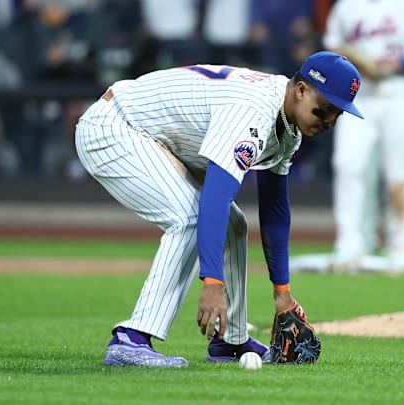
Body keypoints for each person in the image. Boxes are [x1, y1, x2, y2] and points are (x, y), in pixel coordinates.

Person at [74, 51, 363, 367]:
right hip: (115, 125)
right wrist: (212, 282)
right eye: (325, 110)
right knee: (189, 216)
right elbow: (215, 197)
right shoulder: (252, 111)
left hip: (152, 134)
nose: (330, 121)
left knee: (234, 225)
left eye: (338, 114)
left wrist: (283, 294)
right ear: (302, 89)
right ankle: (131, 339)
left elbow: (275, 209)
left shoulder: (287, 126)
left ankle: (231, 341)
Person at [322, 0, 404, 273]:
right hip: (359, 95)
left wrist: (402, 62)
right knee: (347, 165)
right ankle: (349, 245)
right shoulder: (346, 6)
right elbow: (332, 46)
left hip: (399, 92)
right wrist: (353, 60)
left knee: (397, 176)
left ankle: (401, 248)